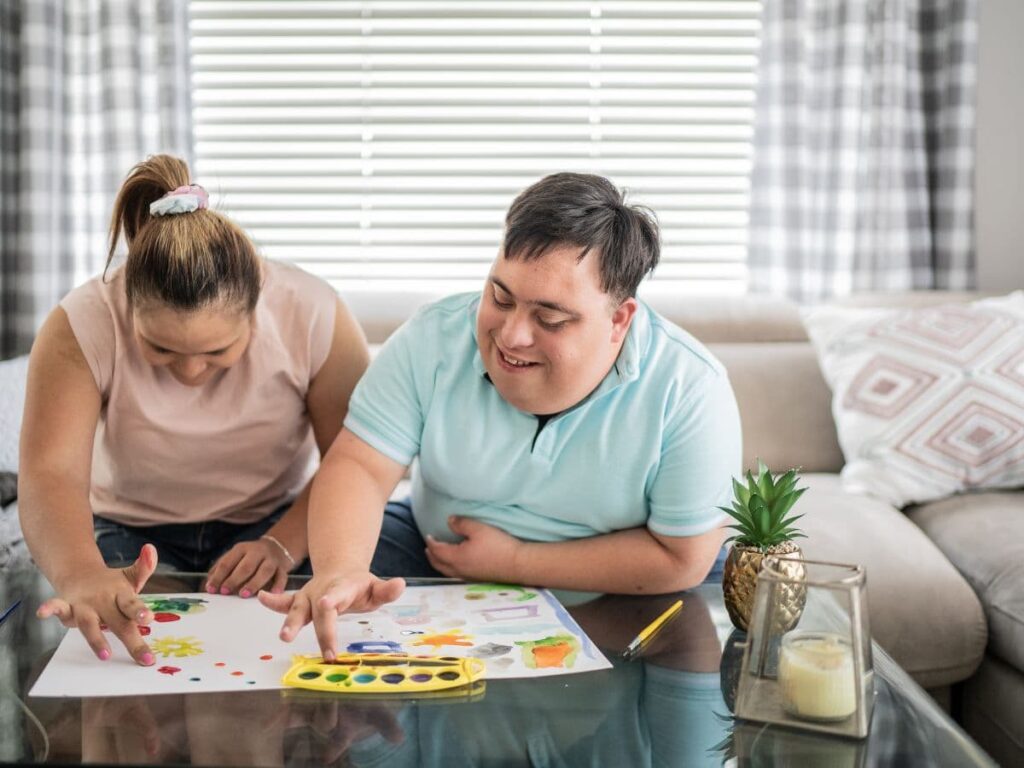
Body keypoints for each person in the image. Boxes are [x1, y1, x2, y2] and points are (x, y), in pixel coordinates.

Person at [260, 172, 742, 659]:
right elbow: (360, 465)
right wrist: (342, 568)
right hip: (434, 554)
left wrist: (515, 561)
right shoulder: (432, 337)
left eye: (550, 319)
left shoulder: (691, 388)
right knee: (316, 578)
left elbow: (680, 558)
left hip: (623, 590)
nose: (511, 336)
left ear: (619, 320)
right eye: (500, 298)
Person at [19, 155, 370, 666]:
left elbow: (354, 460)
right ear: (128, 304)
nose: (189, 371)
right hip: (128, 528)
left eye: (216, 351)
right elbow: (50, 472)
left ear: (257, 305)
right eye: (160, 349)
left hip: (275, 519)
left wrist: (282, 544)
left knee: (275, 652)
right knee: (128, 644)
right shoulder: (81, 322)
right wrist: (81, 573)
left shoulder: (314, 313)